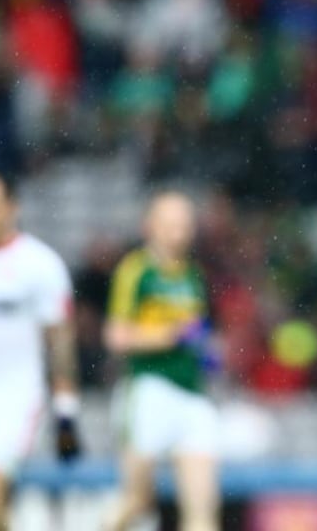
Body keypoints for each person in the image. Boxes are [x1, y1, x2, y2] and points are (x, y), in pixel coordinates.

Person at [104, 191, 220, 531]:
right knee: (137, 502)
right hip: (148, 390)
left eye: (184, 225)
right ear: (149, 227)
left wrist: (204, 353)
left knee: (201, 512)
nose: (178, 233)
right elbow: (116, 337)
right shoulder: (136, 270)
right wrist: (171, 336)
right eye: (170, 225)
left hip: (193, 395)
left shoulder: (193, 276)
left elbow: (197, 332)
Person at [0, 171, 81, 531]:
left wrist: (66, 415)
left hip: (13, 400)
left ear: (13, 208)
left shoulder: (41, 265)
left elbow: (61, 343)